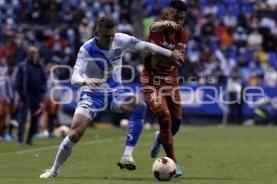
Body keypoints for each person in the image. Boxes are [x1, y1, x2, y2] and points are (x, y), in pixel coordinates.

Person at [40, 17, 183, 179]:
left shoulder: (120, 39)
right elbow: (74, 78)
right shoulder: (86, 50)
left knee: (139, 105)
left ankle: (127, 155)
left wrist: (170, 53)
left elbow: (144, 45)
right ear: (97, 33)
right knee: (74, 134)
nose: (110, 39)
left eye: (112, 35)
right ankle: (54, 169)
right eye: (106, 36)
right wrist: (85, 80)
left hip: (116, 91)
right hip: (92, 94)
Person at [140, 0, 188, 177]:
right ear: (167, 14)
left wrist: (160, 54)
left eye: (182, 19)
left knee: (174, 126)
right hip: (151, 81)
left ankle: (159, 137)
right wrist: (168, 54)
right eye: (176, 17)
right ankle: (174, 164)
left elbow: (178, 60)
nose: (179, 22)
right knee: (165, 117)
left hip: (171, 81)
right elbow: (154, 29)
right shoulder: (158, 28)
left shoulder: (183, 34)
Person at [16, 46, 47, 145]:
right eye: (31, 52)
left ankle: (29, 139)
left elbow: (44, 81)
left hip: (37, 96)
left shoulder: (40, 66)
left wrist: (42, 94)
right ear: (28, 54)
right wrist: (21, 95)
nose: (33, 54)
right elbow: (17, 82)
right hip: (26, 96)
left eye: (35, 52)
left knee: (35, 118)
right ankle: (20, 140)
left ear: (37, 54)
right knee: (23, 118)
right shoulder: (23, 66)